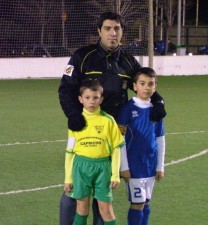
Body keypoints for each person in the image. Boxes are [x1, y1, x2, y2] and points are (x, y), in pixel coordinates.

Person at [58, 11, 166, 225]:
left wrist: (159, 102)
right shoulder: (82, 56)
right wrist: (73, 116)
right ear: (99, 31)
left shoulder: (128, 61)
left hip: (112, 133)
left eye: (117, 28)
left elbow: (145, 84)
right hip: (84, 130)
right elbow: (65, 90)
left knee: (103, 190)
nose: (112, 33)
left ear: (122, 32)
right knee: (74, 190)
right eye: (107, 28)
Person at [64, 79, 124, 225]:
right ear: (80, 99)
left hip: (103, 167)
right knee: (82, 208)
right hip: (81, 167)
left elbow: (116, 148)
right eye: (87, 97)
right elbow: (70, 151)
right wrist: (68, 178)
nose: (91, 101)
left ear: (101, 99)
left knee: (106, 209)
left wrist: (115, 174)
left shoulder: (108, 121)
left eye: (95, 98)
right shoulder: (76, 121)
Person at [116, 67, 166, 225]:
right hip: (134, 165)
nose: (147, 87)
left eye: (151, 84)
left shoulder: (156, 110)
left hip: (150, 165)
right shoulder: (127, 110)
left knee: (146, 202)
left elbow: (160, 138)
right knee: (137, 204)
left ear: (155, 87)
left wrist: (160, 166)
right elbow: (120, 140)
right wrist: (124, 166)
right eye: (142, 83)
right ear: (135, 86)